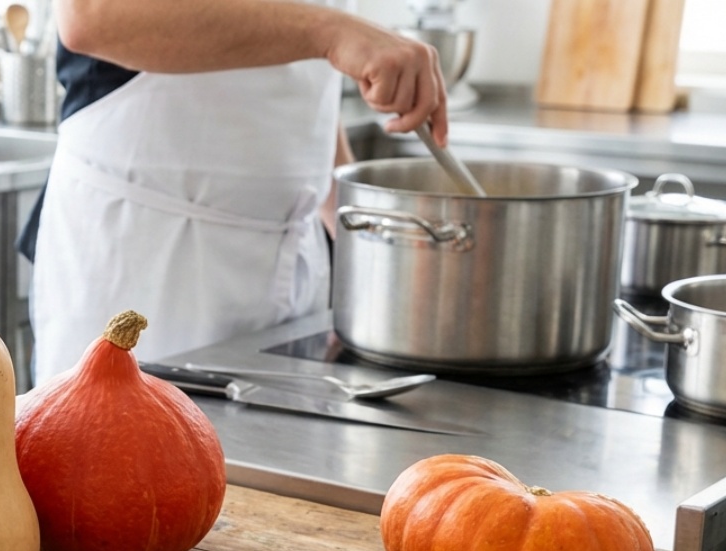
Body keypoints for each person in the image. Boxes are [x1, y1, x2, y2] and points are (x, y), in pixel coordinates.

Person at [23, 0, 449, 382]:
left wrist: (352, 223)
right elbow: (93, 17)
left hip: (293, 261)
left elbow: (298, 77)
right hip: (149, 253)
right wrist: (330, 32)